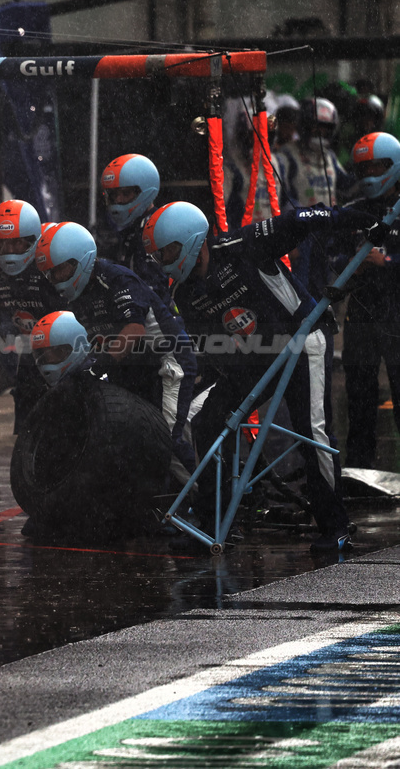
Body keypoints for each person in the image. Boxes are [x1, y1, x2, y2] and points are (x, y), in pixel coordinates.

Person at [141, 200, 383, 550]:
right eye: (158, 255)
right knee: (209, 422)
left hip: (300, 343)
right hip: (252, 360)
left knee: (311, 431)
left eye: (168, 252)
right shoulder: (185, 292)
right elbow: (212, 347)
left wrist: (358, 220)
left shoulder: (242, 245)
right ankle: (215, 524)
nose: (164, 261)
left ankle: (336, 526)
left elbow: (302, 217)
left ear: (193, 240)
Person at [34, 221, 196, 476]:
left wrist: (99, 365)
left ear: (81, 259)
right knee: (128, 439)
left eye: (62, 269)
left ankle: (211, 502)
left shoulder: (116, 278)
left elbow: (134, 331)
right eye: (50, 273)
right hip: (132, 367)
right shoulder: (77, 297)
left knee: (167, 440)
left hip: (168, 360)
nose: (56, 279)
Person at [0, 199, 62, 432]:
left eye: (17, 244)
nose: (9, 253)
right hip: (34, 349)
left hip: (72, 346)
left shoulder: (57, 261)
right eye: (1, 245)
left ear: (33, 240)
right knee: (26, 403)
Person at [339, 132, 400, 468]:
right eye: (363, 168)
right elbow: (330, 257)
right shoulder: (350, 213)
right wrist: (350, 267)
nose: (369, 174)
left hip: (397, 317)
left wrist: (387, 263)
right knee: (359, 401)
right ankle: (361, 473)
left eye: (376, 166)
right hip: (361, 317)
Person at [275, 98, 351, 295]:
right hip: (301, 232)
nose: (321, 132)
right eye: (316, 126)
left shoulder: (330, 157)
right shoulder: (286, 156)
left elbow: (348, 186)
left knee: (325, 283)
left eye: (325, 128)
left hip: (328, 232)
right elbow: (282, 195)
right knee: (300, 284)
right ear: (305, 125)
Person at [99, 153, 171, 301]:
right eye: (114, 194)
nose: (118, 200)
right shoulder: (132, 228)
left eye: (126, 193)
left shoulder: (158, 228)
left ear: (144, 190)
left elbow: (155, 289)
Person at [30, 310, 91, 387]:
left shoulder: (94, 382)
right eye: (41, 355)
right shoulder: (35, 384)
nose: (48, 362)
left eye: (58, 352)